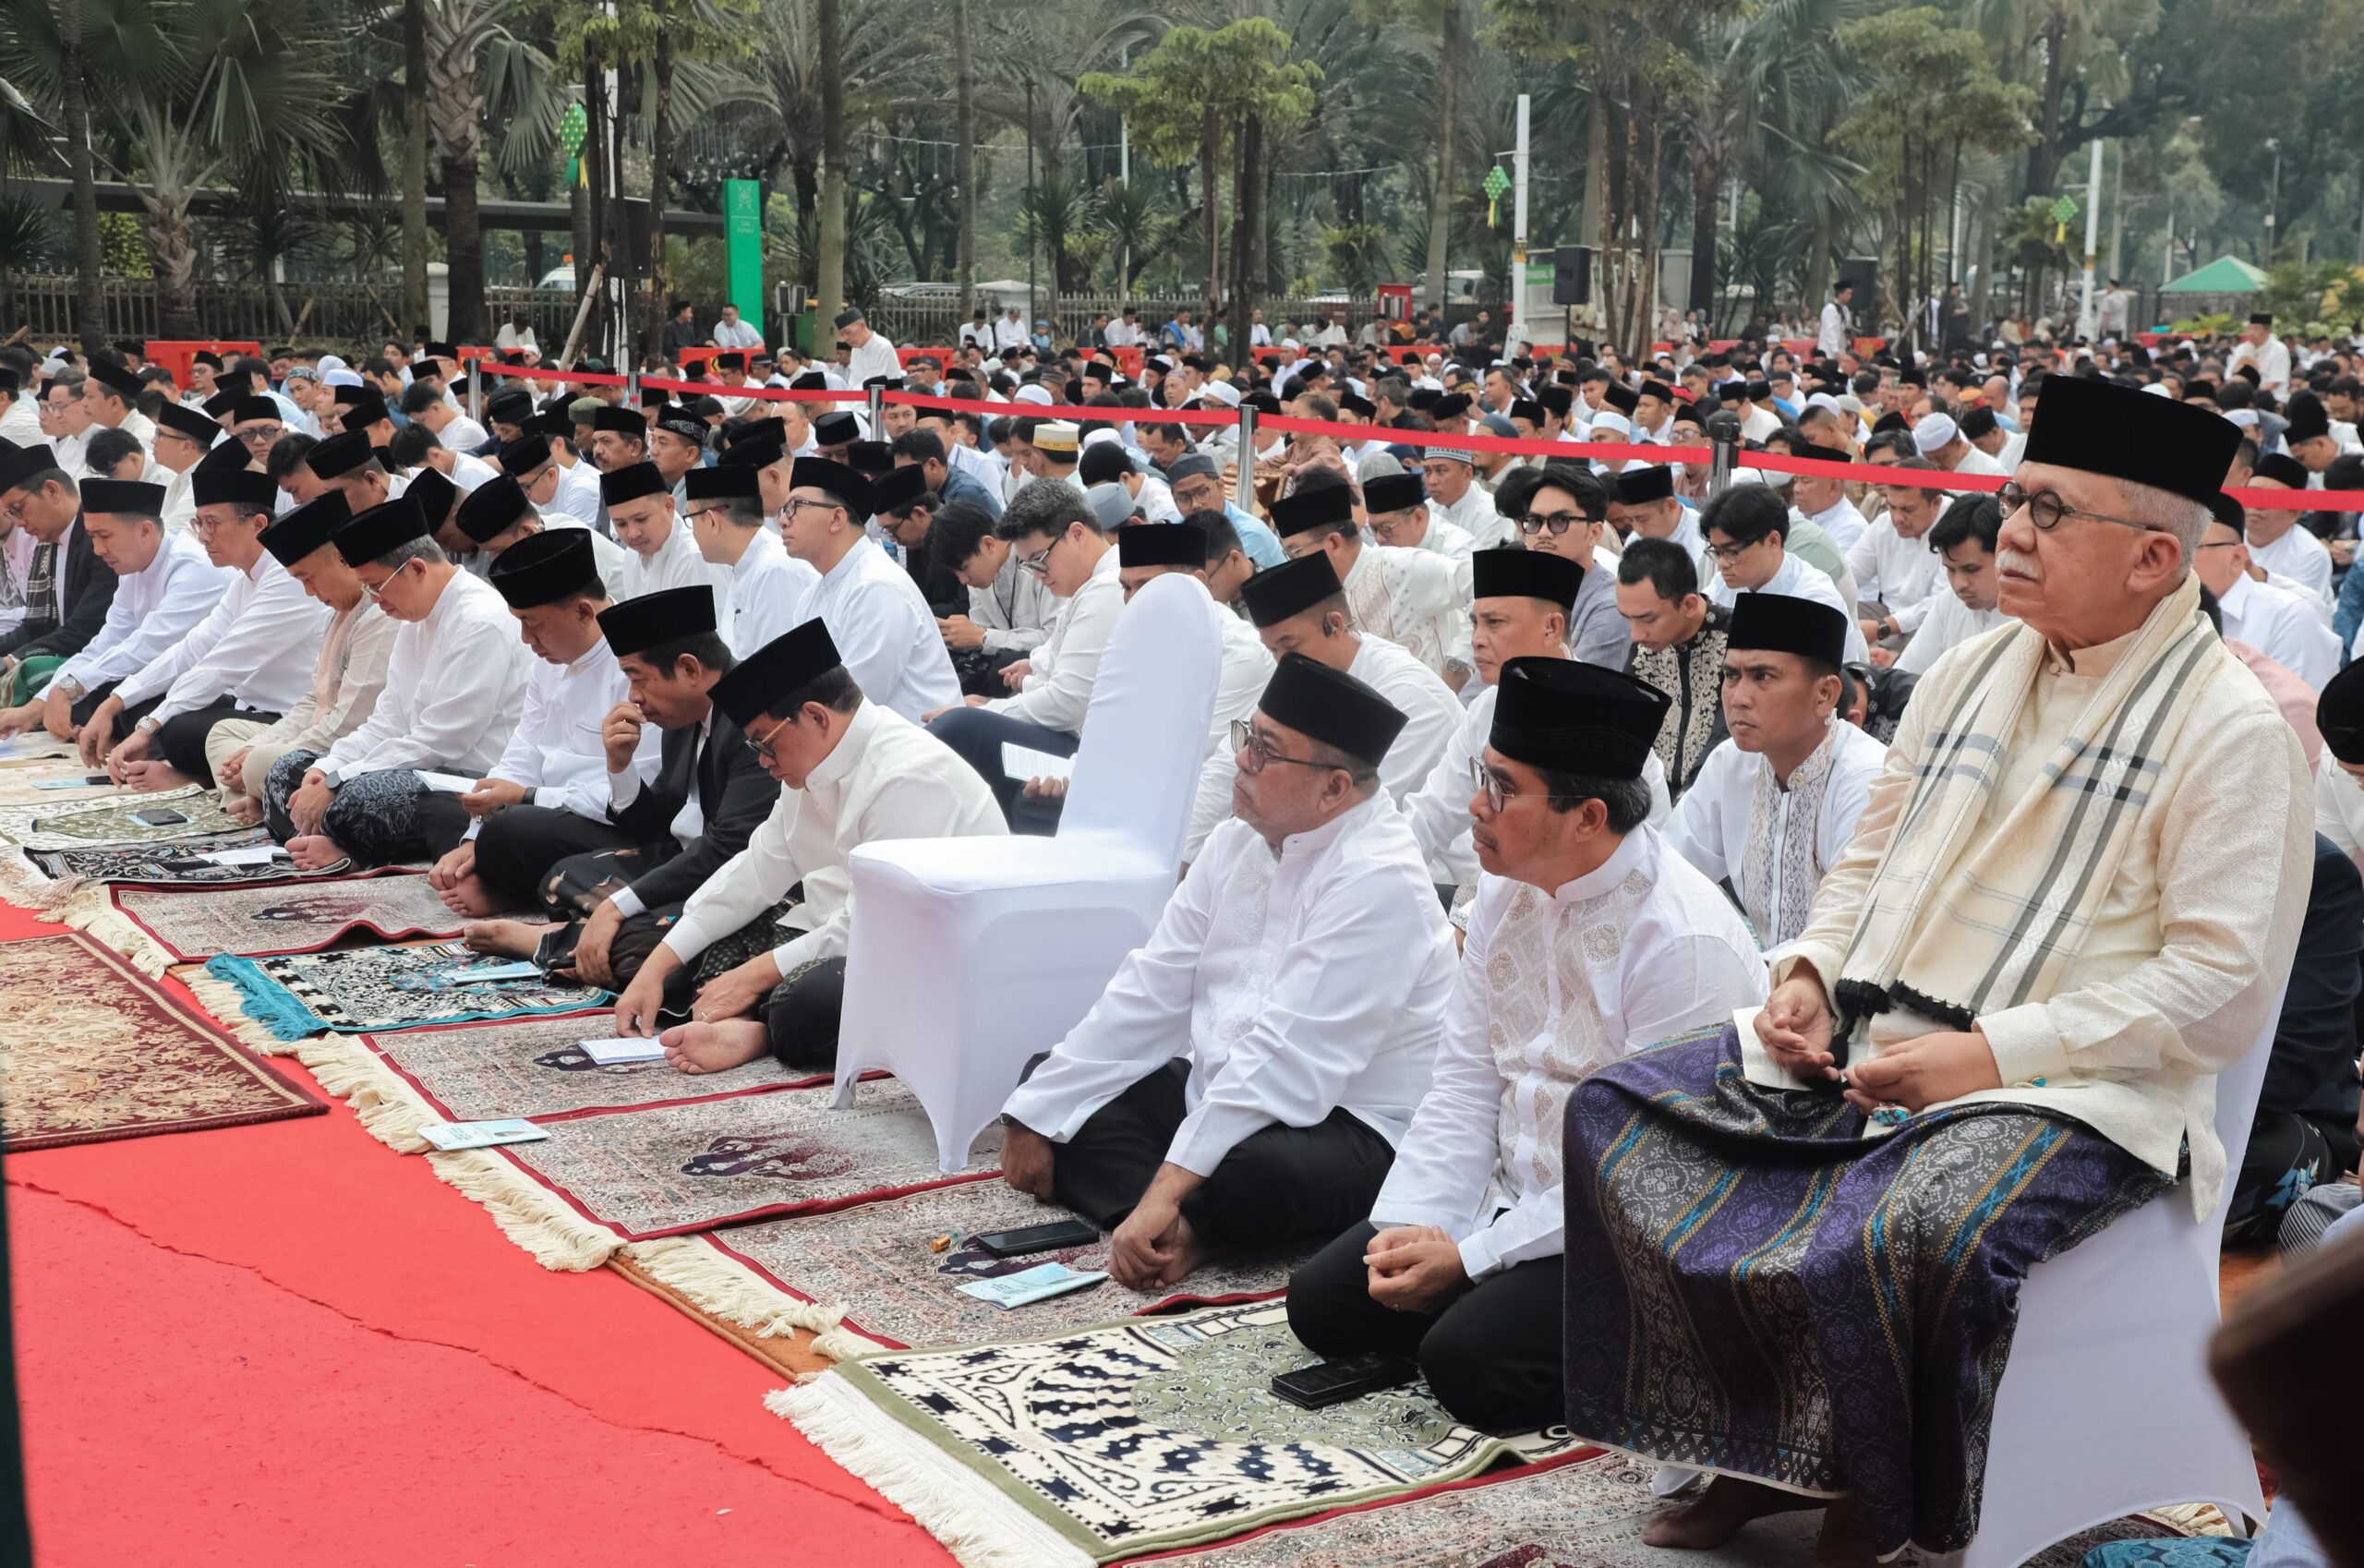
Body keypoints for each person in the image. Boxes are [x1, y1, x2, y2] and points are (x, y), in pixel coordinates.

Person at [1560, 376, 2312, 1564]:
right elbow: (1871, 859)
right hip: (1876, 1028)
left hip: (2078, 1088)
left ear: (2153, 558)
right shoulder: (1969, 673)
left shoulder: (2231, 731)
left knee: (1909, 1221)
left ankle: (1882, 1485)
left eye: (2051, 513)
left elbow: (2214, 991)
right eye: (2017, 499)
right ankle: (1757, 1447)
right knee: (1620, 1111)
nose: (2010, 531)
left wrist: (1987, 1055)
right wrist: (1810, 970)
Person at [1285, 657, 1767, 1432]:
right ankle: (1490, 1304)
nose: (1477, 805)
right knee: (1325, 1303)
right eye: (1485, 776)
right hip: (1512, 1193)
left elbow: (1639, 1174)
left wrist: (1472, 1262)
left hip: (1632, 1225)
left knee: (1469, 1368)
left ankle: (1652, 1351)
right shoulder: (1505, 889)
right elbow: (1465, 1082)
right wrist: (1421, 1224)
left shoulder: (1681, 944)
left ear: (1589, 817)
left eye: (1504, 788)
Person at [1001, 653, 1458, 1289]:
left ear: (1334, 789)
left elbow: (1286, 1061)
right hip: (1221, 1090)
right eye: (1248, 737)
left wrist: (1170, 1182)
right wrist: (1034, 1112)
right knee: (1053, 1086)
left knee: (1255, 1175)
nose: (1241, 760)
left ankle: (1185, 1221)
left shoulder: (1380, 879)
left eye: (1267, 751)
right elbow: (1152, 985)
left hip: (1349, 1124)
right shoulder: (1235, 841)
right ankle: (1189, 1225)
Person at [610, 619, 1006, 1073]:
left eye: (765, 742)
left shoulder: (908, 775)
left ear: (817, 717)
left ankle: (759, 1030)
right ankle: (751, 1011)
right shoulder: (806, 767)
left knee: (808, 1003)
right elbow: (757, 871)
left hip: (927, 955)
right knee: (657, 944)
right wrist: (658, 965)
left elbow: (877, 927)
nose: (762, 761)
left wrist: (753, 975)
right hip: (825, 928)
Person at [460, 588, 774, 995]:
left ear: (689, 669)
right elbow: (657, 823)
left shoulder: (755, 719)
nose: (633, 697)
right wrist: (619, 766)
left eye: (636, 678)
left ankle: (558, 940)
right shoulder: (684, 712)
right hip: (688, 859)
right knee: (563, 876)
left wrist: (619, 905)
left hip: (740, 874)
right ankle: (601, 932)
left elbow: (728, 849)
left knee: (657, 947)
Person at [263, 496, 530, 870]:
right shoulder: (414, 617)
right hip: (414, 767)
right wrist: (328, 769)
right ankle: (333, 838)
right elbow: (387, 721)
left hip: (465, 780)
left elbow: (442, 741)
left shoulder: (478, 621)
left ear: (417, 569)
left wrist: (340, 779)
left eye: (375, 586)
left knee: (359, 798)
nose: (374, 601)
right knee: (287, 771)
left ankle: (343, 845)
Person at [427, 528, 659, 915]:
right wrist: (473, 833)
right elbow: (523, 751)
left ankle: (504, 888)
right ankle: (485, 866)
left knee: (511, 831)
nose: (525, 638)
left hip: (611, 823)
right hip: (543, 808)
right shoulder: (548, 661)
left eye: (533, 624)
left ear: (584, 612)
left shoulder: (640, 667)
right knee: (441, 806)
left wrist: (525, 799)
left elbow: (636, 799)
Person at [83, 462, 332, 789]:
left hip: (284, 717)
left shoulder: (288, 578)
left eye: (212, 524)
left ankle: (193, 777)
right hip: (242, 706)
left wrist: (149, 727)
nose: (202, 536)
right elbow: (191, 649)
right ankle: (190, 767)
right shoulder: (246, 581)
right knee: (133, 702)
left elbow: (223, 664)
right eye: (198, 523)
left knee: (179, 729)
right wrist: (113, 703)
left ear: (257, 524)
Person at [1665, 593, 1886, 945]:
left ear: (1825, 695)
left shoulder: (1868, 779)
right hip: (1765, 981)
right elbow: (1670, 875)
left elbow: (1854, 933)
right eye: (1731, 675)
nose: (1738, 697)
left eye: (1762, 676)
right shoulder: (1731, 764)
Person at [924, 480, 1122, 825]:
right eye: (1028, 566)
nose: (1038, 575)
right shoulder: (1088, 585)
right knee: (959, 721)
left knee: (958, 726)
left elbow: (1066, 704)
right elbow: (1051, 661)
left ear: (1077, 534)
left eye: (1039, 561)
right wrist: (1029, 669)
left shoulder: (1105, 590)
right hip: (1063, 726)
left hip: (1085, 746)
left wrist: (992, 710)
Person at [1401, 547, 1590, 893]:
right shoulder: (1488, 708)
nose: (1476, 640)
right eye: (1475, 623)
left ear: (1551, 627)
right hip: (1490, 893)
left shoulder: (1600, 714)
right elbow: (1431, 814)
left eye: (1494, 623)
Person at [205, 492, 399, 823]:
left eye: (308, 577)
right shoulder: (337, 615)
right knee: (223, 733)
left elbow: (351, 721)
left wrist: (262, 754)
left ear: (341, 558)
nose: (310, 592)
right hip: (314, 737)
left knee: (259, 762)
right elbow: (313, 700)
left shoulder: (379, 616)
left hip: (347, 749)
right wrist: (261, 743)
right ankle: (261, 799)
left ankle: (258, 800)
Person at [1, 479, 227, 746]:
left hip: (217, 695)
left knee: (117, 701)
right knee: (95, 693)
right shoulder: (131, 571)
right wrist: (35, 708)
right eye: (92, 537)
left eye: (104, 536)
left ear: (144, 530)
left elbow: (145, 647)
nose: (97, 550)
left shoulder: (193, 568)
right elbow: (102, 646)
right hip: (161, 684)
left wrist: (70, 688)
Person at [1237, 554, 1462, 809]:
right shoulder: (1306, 674)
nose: (1282, 663)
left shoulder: (1407, 693)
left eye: (1289, 646)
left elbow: (1360, 806)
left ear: (1334, 624)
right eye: (1273, 651)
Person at [780, 456, 961, 723]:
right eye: (783, 510)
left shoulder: (876, 585)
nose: (783, 521)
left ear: (837, 518)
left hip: (916, 747)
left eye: (795, 507)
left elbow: (851, 702)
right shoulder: (813, 594)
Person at [1272, 481, 1468, 688]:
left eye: (1295, 551)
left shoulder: (1401, 566)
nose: (1291, 562)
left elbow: (1482, 584)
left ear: (1334, 543)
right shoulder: (1318, 596)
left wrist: (1458, 659)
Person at [0, 446, 119, 709]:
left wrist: (11, 661)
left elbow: (83, 630)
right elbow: (35, 626)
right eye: (11, 514)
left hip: (100, 665)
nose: (19, 523)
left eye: (18, 508)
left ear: (52, 491)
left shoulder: (99, 538)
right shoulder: (48, 542)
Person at [1698, 484, 1869, 664]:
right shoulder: (1725, 583)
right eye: (1717, 552)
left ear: (1773, 541)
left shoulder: (1814, 600)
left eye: (1732, 552)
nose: (1723, 564)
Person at [1618, 537, 1731, 799]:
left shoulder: (1737, 643)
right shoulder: (1647, 644)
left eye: (1647, 619)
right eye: (1627, 618)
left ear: (1689, 605)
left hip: (1712, 802)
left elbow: (1728, 743)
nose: (1635, 634)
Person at [2196, 495, 2337, 690]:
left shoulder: (2288, 615)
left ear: (2237, 558)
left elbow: (2299, 711)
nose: (2176, 562)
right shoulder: (2168, 608)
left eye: (2193, 548)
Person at [681, 463, 817, 657]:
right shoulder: (745, 566)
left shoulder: (775, 570)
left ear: (712, 521)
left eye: (691, 518)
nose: (692, 531)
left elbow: (781, 666)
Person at [1513, 463, 1634, 670]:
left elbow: (1576, 687)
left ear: (1594, 533)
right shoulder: (1513, 592)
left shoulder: (1611, 606)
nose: (1543, 533)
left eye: (1560, 520)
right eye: (1534, 521)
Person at [453, 471, 633, 601]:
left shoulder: (567, 544)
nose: (495, 560)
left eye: (498, 550)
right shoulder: (540, 535)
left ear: (528, 531)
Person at [1892, 492, 2011, 677]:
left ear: (2005, 556)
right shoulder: (1950, 600)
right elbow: (1906, 674)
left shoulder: (2034, 621)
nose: (1959, 584)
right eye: (1950, 570)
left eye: (1971, 569)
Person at [601, 461, 730, 622]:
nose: (632, 533)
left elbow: (716, 636)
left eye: (641, 519)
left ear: (669, 506)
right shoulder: (631, 556)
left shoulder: (696, 556)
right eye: (621, 524)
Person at [1848, 460, 1947, 645]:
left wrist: (1883, 628)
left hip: (1930, 627)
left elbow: (1942, 603)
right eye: (1892, 507)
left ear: (1935, 503)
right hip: (1885, 614)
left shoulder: (1956, 526)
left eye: (1907, 510)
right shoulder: (1884, 525)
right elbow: (1847, 574)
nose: (1897, 518)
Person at [2228, 311, 2292, 395]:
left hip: (2271, 397)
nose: (2251, 333)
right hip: (2242, 395)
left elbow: (2275, 382)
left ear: (2268, 331)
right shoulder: (2241, 348)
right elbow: (2229, 374)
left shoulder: (2279, 349)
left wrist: (2251, 393)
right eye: (2250, 328)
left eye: (2256, 329)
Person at [835, 308, 899, 386]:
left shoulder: (882, 347)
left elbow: (875, 384)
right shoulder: (856, 350)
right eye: (842, 334)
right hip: (861, 396)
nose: (845, 338)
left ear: (862, 325)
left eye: (848, 332)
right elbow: (853, 382)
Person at [1817, 280, 1855, 359]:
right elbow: (1830, 331)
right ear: (1840, 294)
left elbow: (1846, 328)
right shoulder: (1830, 309)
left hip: (1841, 348)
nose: (1850, 296)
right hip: (1828, 350)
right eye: (1848, 294)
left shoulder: (1845, 309)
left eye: (1851, 294)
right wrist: (1835, 350)